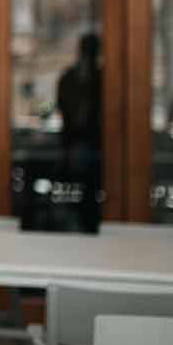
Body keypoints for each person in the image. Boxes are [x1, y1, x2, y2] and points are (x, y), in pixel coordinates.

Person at [56, 32, 103, 233]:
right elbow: (68, 111)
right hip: (77, 143)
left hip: (94, 145)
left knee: (90, 187)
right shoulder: (72, 78)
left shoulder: (102, 79)